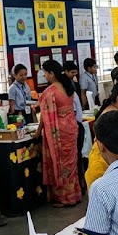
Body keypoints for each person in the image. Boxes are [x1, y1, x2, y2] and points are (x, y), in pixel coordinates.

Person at [33, 60, 81, 207]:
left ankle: (65, 198)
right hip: (71, 128)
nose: (45, 76)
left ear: (51, 73)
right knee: (71, 162)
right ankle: (74, 193)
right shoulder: (68, 86)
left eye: (45, 73)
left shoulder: (50, 92)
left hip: (58, 131)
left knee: (60, 164)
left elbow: (46, 117)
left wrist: (38, 131)